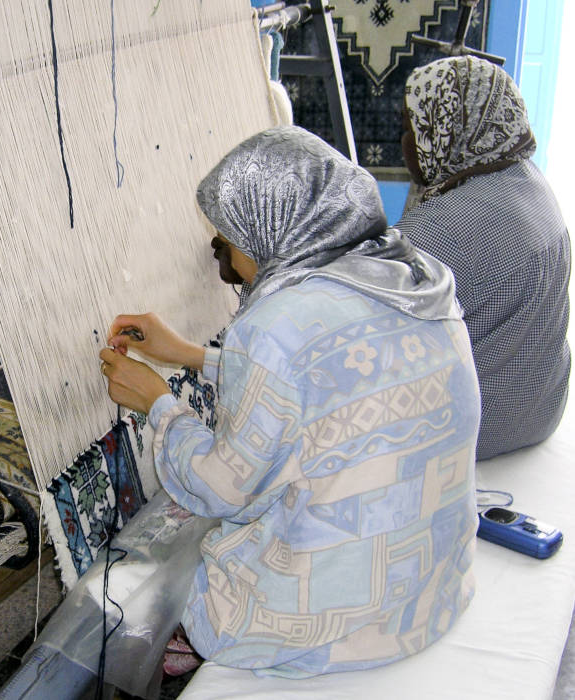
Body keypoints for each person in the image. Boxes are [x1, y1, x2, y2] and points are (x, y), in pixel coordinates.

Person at [98, 126, 480, 677]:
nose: (226, 257)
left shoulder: (275, 327)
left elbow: (220, 489)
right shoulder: (412, 277)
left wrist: (159, 403)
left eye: (229, 240)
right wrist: (188, 354)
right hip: (431, 595)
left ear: (270, 231)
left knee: (166, 587)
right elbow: (331, 384)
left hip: (333, 626)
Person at [396, 55, 571, 461]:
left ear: (453, 129)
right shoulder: (529, 181)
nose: (404, 141)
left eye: (413, 126)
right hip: (541, 408)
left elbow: (348, 320)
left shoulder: (442, 229)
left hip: (473, 431)